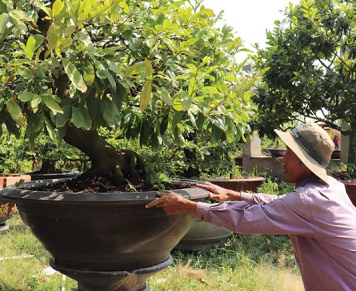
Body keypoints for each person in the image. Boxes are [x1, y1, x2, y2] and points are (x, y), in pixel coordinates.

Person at [146, 123, 356, 291]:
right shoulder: (331, 188)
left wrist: (187, 205)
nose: (283, 160)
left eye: (290, 154)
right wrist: (235, 194)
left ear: (305, 162)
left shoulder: (309, 200)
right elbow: (281, 202)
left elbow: (245, 219)